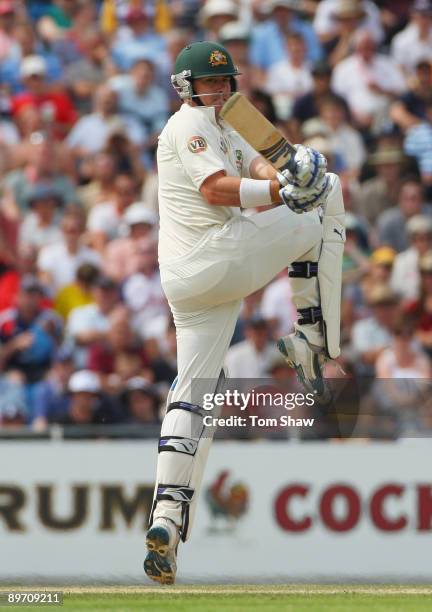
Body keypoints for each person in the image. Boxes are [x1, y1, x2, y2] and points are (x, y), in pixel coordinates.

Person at [144, 41, 345, 584]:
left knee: (195, 392)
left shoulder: (227, 119)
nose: (222, 90)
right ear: (186, 87)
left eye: (227, 81)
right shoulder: (187, 125)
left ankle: (165, 518)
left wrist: (289, 164)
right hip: (209, 258)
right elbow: (215, 189)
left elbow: (256, 159)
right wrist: (288, 190)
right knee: (329, 194)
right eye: (211, 83)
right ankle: (311, 340)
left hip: (197, 285)